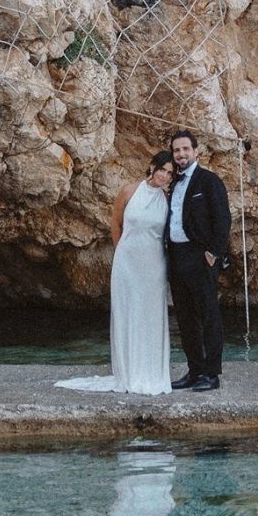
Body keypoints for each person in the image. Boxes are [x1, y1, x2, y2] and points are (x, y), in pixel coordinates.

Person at [56, 152, 176, 395]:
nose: (164, 175)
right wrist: (122, 252)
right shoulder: (128, 191)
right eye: (162, 169)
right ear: (152, 166)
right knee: (127, 314)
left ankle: (151, 373)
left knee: (151, 317)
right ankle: (128, 373)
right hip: (127, 263)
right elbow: (116, 225)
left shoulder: (167, 198)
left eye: (170, 173)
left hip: (154, 265)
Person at [165, 130, 230, 392]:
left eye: (185, 149)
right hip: (177, 257)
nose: (180, 154)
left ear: (196, 151)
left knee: (208, 315)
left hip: (200, 256)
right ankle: (194, 370)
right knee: (185, 317)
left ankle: (211, 374)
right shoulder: (173, 182)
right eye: (176, 150)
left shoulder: (209, 181)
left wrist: (213, 253)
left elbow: (223, 219)